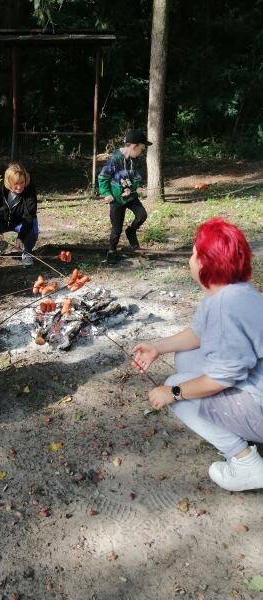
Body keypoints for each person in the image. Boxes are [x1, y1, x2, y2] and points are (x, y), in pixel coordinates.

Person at [133, 218, 263, 492]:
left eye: (194, 253)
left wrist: (174, 392)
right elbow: (198, 334)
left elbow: (221, 379)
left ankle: (245, 463)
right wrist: (158, 347)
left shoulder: (225, 309)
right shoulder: (231, 293)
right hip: (255, 386)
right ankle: (238, 431)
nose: (190, 259)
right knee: (186, 359)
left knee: (176, 389)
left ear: (206, 263)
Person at [98, 130, 152, 265]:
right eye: (141, 149)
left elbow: (137, 178)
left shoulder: (134, 160)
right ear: (134, 146)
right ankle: (112, 251)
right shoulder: (114, 160)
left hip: (130, 197)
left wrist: (131, 188)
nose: (142, 151)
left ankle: (131, 231)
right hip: (116, 200)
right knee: (116, 229)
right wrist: (107, 194)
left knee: (142, 215)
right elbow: (103, 177)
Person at [0, 163, 38, 268]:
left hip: (20, 222)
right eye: (16, 184)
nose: (19, 187)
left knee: (33, 227)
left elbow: (29, 216)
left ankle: (26, 252)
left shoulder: (30, 189)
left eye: (22, 182)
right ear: (9, 182)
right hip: (2, 221)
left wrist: (21, 237)